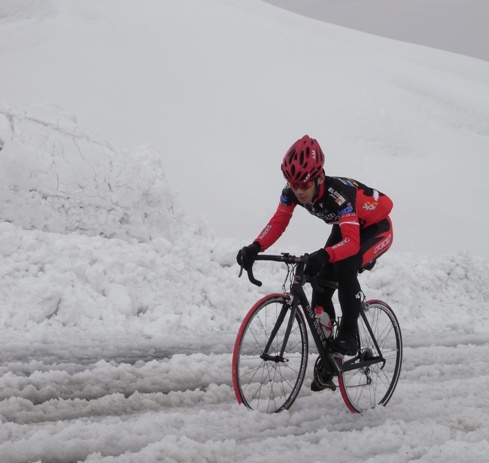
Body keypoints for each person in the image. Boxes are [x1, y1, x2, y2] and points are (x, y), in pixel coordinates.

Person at [237, 135, 394, 391]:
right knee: (320, 279)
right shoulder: (292, 193)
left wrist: (324, 254)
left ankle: (350, 337)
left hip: (376, 228)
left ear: (318, 177)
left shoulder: (338, 196)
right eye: (292, 183)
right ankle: (332, 356)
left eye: (303, 183)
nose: (297, 190)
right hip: (347, 225)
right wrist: (255, 247)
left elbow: (352, 244)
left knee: (345, 263)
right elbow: (278, 222)